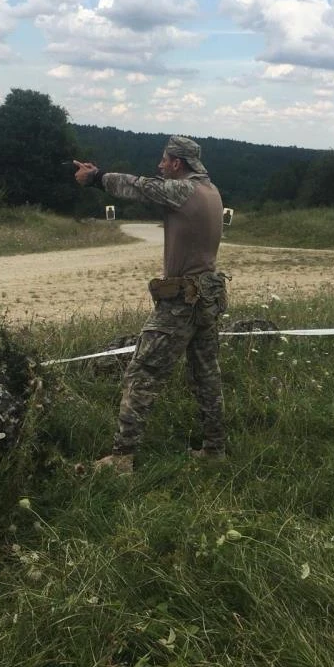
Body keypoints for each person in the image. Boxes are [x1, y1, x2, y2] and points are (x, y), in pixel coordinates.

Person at [74, 136, 228, 473]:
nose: (160, 166)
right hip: (207, 298)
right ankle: (215, 451)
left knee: (142, 374)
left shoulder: (182, 190)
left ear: (176, 163)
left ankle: (122, 459)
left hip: (181, 303)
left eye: (164, 160)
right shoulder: (211, 191)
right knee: (206, 375)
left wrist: (96, 177)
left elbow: (137, 186)